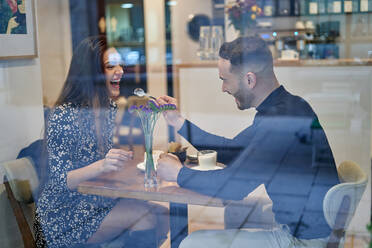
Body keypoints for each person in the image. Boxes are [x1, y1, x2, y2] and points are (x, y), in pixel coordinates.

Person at [156, 37, 339, 246]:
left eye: (224, 79)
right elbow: (234, 150)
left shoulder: (278, 123)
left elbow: (232, 187)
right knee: (233, 216)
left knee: (190, 243)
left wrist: (178, 173)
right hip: (311, 230)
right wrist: (179, 122)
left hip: (303, 242)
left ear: (250, 80)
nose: (223, 88)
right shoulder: (287, 107)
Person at [34, 36, 168, 248]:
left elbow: (114, 158)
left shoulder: (109, 110)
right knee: (145, 215)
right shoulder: (64, 115)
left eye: (120, 64)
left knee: (163, 213)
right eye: (110, 66)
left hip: (97, 201)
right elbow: (61, 181)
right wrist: (103, 164)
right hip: (63, 215)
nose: (121, 70)